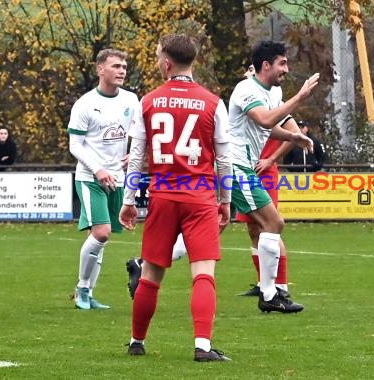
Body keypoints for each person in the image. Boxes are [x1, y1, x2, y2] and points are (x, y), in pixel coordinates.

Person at [119, 34, 233, 362]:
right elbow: (224, 159)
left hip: (163, 197)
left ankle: (136, 341)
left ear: (167, 62)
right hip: (199, 198)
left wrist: (129, 200)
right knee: (203, 273)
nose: (158, 62)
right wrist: (224, 199)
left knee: (152, 275)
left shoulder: (149, 101)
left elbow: (137, 154)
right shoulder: (213, 102)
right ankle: (202, 346)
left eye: (157, 57)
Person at [228, 40, 319, 313]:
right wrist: (300, 97)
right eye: (282, 63)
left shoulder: (272, 92)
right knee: (273, 223)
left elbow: (270, 125)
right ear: (266, 65)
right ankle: (270, 293)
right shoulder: (246, 89)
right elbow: (265, 120)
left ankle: (144, 263)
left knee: (212, 226)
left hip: (239, 166)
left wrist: (292, 136)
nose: (286, 70)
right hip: (235, 166)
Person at [67, 48, 140, 310]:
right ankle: (82, 289)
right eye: (116, 66)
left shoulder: (131, 100)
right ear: (100, 70)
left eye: (124, 66)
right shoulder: (85, 104)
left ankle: (87, 293)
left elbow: (140, 134)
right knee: (102, 232)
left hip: (117, 178)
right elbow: (75, 145)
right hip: (90, 177)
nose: (122, 70)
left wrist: (133, 155)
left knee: (100, 239)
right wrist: (98, 169)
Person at [234, 64, 297, 298]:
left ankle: (279, 287)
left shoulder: (272, 101)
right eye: (247, 69)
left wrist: (270, 160)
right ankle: (264, 284)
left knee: (271, 225)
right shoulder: (247, 99)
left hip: (263, 172)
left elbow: (290, 131)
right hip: (245, 168)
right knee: (254, 229)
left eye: (253, 69)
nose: (249, 73)